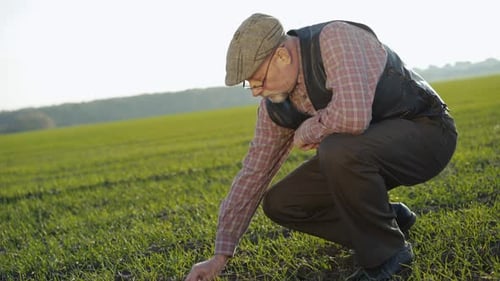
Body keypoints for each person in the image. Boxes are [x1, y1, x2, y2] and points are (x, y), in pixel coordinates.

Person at [185, 13, 457, 281]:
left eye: (258, 79)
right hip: (368, 153)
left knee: (336, 149)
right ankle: (390, 222)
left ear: (281, 56)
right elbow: (253, 173)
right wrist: (220, 255)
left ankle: (389, 257)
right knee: (282, 202)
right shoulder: (274, 107)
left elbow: (353, 116)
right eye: (249, 85)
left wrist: (308, 129)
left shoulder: (335, 39)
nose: (256, 91)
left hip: (428, 134)